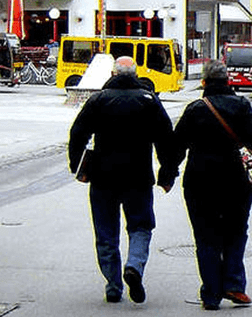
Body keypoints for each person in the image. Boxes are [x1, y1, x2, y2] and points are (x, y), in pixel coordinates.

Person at [159, 60, 252, 311]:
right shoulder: (242, 106)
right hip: (236, 181)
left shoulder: (195, 109)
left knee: (205, 236)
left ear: (204, 82)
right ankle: (234, 284)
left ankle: (211, 294)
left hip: (200, 181)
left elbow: (176, 147)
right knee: (236, 231)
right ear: (228, 80)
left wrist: (167, 175)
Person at [67, 56, 175, 304]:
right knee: (141, 226)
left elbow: (78, 133)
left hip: (103, 177)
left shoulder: (99, 100)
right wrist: (167, 173)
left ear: (113, 74)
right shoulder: (149, 100)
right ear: (135, 75)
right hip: (138, 176)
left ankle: (113, 285)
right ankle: (134, 265)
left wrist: (77, 166)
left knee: (106, 232)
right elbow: (165, 139)